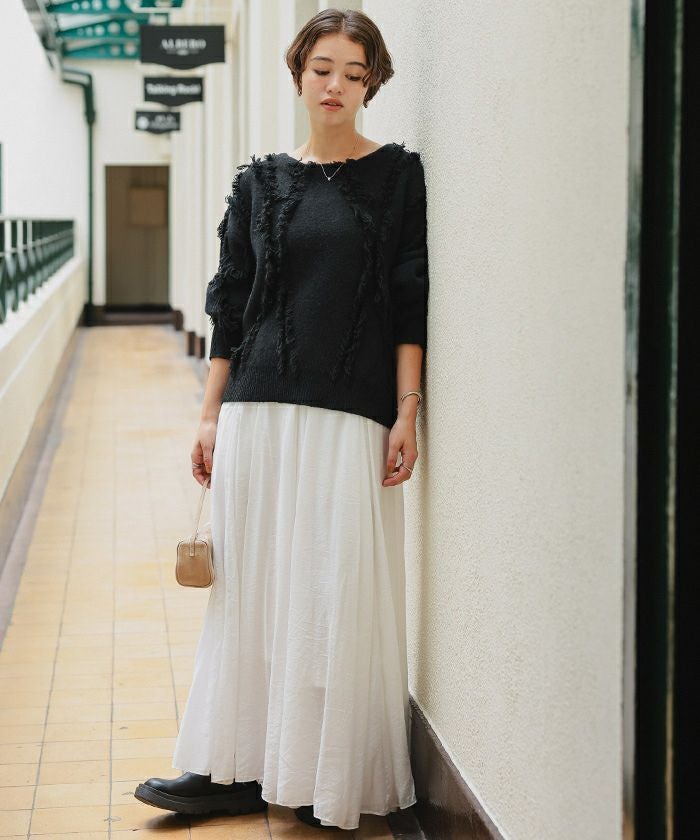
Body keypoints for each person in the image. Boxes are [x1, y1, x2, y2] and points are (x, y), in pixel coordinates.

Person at [134, 6, 429, 832]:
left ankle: (319, 775)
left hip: (350, 414)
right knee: (250, 594)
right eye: (322, 68)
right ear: (298, 73)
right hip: (257, 408)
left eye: (354, 73)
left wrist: (408, 408)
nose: (335, 85)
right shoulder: (258, 183)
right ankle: (227, 766)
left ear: (372, 84)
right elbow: (231, 304)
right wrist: (208, 415)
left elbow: (409, 297)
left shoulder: (397, 177)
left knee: (329, 592)